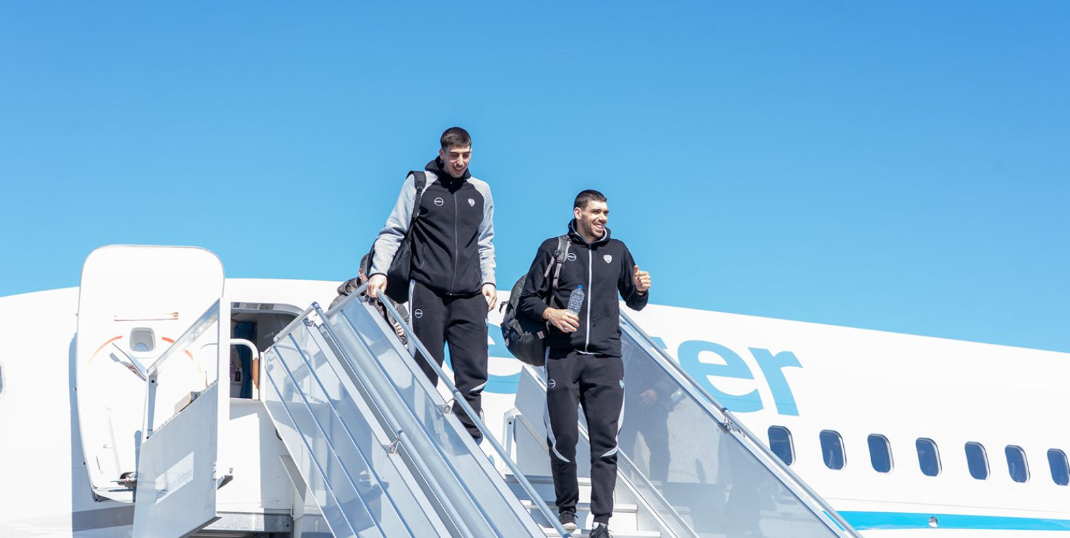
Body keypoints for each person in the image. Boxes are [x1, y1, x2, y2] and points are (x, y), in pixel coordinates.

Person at [518, 189, 651, 538]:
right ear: (578, 213)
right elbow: (527, 300)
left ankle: (601, 521)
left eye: (605, 212)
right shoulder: (554, 249)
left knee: (606, 442)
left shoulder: (618, 251)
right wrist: (551, 313)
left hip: (606, 359)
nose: (602, 217)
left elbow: (634, 301)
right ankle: (567, 509)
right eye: (596, 211)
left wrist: (640, 289)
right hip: (564, 356)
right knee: (562, 438)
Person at [366, 127, 496, 442]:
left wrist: (489, 280)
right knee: (426, 363)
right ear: (441, 153)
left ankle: (468, 439)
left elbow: (485, 241)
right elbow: (393, 231)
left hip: (470, 294)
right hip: (427, 289)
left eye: (466, 155)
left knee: (473, 370)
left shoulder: (481, 191)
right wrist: (378, 271)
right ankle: (419, 433)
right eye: (454, 156)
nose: (460, 162)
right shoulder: (420, 184)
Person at [329, 253, 408, 345]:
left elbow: (409, 325)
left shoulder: (391, 299)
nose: (375, 281)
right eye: (371, 275)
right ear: (360, 273)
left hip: (390, 352)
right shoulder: (342, 302)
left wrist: (403, 332)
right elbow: (336, 330)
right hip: (361, 352)